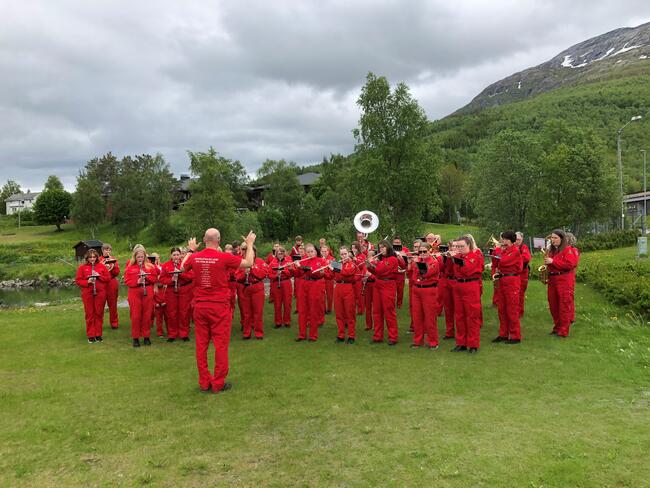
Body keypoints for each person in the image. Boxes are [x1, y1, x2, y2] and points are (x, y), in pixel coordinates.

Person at [181, 229, 256, 393]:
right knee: (220, 345)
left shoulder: (195, 257)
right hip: (218, 307)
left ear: (204, 239)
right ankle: (218, 382)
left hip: (200, 306)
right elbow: (249, 262)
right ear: (219, 240)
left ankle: (204, 382)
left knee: (201, 346)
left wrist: (191, 250)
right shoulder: (223, 257)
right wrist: (249, 244)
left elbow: (182, 268)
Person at [450, 236, 483, 353]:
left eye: (462, 246)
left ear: (469, 245)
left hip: (470, 286)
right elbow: (455, 271)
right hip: (459, 285)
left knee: (472, 315)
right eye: (457, 246)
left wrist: (459, 262)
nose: (459, 248)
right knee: (459, 315)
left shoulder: (474, 256)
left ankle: (473, 344)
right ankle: (461, 343)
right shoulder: (458, 257)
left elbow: (467, 270)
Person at [545, 229, 579, 337]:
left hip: (564, 280)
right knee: (553, 304)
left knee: (564, 305)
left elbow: (571, 264)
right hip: (553, 279)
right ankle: (557, 326)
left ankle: (563, 330)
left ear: (561, 239)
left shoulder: (568, 249)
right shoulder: (552, 250)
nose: (553, 240)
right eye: (552, 237)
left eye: (555, 238)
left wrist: (553, 261)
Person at [124, 245, 159, 347]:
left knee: (147, 315)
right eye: (138, 257)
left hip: (147, 290)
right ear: (135, 257)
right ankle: (135, 338)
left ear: (145, 257)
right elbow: (127, 281)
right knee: (135, 316)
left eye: (142, 257)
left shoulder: (150, 266)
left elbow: (155, 278)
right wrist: (137, 281)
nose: (140, 259)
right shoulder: (130, 268)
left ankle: (146, 336)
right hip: (134, 291)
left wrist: (147, 277)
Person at [491, 231, 523, 344]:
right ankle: (503, 333)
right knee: (502, 309)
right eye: (502, 239)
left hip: (512, 281)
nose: (502, 241)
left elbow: (503, 261)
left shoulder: (515, 251)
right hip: (503, 279)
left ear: (510, 240)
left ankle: (515, 335)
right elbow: (496, 263)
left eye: (505, 239)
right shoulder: (504, 251)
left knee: (512, 309)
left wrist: (497, 252)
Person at [408, 242, 440, 349]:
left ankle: (433, 342)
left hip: (429, 290)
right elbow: (413, 277)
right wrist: (415, 264)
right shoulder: (418, 261)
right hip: (417, 289)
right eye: (420, 252)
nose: (422, 254)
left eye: (424, 251)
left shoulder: (434, 262)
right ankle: (418, 341)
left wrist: (417, 265)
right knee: (417, 316)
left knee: (430, 317)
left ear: (429, 250)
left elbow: (426, 274)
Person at [293, 243, 328, 342]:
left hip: (314, 285)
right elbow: (298, 274)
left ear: (316, 252)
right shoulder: (303, 260)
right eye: (308, 252)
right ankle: (302, 334)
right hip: (303, 285)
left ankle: (313, 335)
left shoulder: (321, 261)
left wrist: (302, 268)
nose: (310, 253)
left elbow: (318, 274)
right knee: (302, 310)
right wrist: (293, 268)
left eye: (312, 251)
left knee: (313, 310)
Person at [367, 240, 399, 345]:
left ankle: (393, 337)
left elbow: (381, 270)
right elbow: (376, 272)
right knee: (377, 312)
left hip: (388, 285)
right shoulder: (381, 259)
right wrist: (369, 266)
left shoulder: (393, 259)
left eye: (383, 247)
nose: (381, 249)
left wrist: (373, 262)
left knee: (389, 311)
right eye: (380, 248)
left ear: (388, 248)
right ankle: (377, 336)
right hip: (378, 284)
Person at [75, 249, 110, 343]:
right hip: (88, 293)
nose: (92, 259)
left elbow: (108, 278)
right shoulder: (82, 268)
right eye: (90, 257)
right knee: (90, 314)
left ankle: (98, 334)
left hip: (100, 293)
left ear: (97, 257)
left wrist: (99, 276)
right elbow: (78, 281)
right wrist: (88, 281)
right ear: (87, 257)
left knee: (99, 313)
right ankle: (91, 335)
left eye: (94, 257)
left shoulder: (101, 266)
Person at [159, 248, 194, 342]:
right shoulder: (166, 265)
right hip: (171, 290)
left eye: (178, 254)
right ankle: (172, 334)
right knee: (172, 313)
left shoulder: (185, 265)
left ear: (181, 255)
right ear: (171, 255)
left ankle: (184, 333)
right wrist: (171, 280)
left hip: (184, 289)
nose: (176, 257)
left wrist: (181, 274)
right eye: (174, 255)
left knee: (184, 312)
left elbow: (191, 276)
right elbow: (162, 279)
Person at [234, 244, 268, 340]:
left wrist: (252, 269)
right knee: (246, 313)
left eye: (250, 251)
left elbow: (263, 275)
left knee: (258, 312)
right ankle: (246, 333)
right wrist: (244, 273)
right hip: (245, 288)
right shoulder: (241, 262)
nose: (248, 253)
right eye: (246, 251)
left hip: (257, 287)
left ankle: (258, 333)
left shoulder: (260, 261)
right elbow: (237, 277)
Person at [333, 246, 357, 344]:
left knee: (349, 313)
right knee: (339, 313)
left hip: (347, 287)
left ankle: (351, 335)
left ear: (348, 254)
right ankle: (341, 335)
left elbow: (347, 273)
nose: (343, 256)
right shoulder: (337, 264)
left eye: (345, 254)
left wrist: (335, 268)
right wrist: (325, 270)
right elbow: (331, 276)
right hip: (338, 287)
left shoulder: (352, 264)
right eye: (342, 254)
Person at [268, 246, 293, 328]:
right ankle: (278, 322)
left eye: (282, 253)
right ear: (276, 254)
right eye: (279, 254)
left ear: (284, 254)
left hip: (286, 282)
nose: (280, 255)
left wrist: (284, 271)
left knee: (287, 303)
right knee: (277, 304)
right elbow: (269, 275)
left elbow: (291, 273)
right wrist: (276, 275)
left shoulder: (288, 261)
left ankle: (287, 321)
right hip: (276, 283)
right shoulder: (272, 263)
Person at [100, 243, 120, 329]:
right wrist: (104, 267)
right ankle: (99, 323)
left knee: (113, 304)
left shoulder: (113, 260)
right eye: (105, 250)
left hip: (111, 282)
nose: (107, 251)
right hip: (102, 283)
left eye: (109, 250)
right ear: (102, 251)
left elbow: (117, 272)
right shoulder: (99, 260)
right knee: (100, 304)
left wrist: (113, 266)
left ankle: (114, 323)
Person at [440, 240, 457, 340]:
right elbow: (441, 269)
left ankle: (459, 331)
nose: (452, 248)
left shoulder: (460, 256)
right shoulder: (447, 256)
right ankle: (449, 332)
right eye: (451, 246)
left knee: (458, 309)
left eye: (455, 246)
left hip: (456, 282)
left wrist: (453, 257)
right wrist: (443, 258)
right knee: (448, 308)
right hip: (447, 281)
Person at [515, 232, 531, 317]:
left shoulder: (524, 247)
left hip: (522, 274)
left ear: (522, 240)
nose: (517, 241)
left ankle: (519, 312)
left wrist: (514, 258)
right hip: (514, 274)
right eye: (516, 239)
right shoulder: (512, 247)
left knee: (520, 294)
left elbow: (527, 258)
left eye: (519, 239)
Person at [392, 236, 409, 309]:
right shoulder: (390, 249)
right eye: (395, 242)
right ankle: (392, 303)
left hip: (401, 272)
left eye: (398, 242)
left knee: (400, 289)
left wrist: (404, 255)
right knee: (392, 289)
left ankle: (399, 303)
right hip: (393, 272)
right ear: (393, 243)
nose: (397, 244)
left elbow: (408, 259)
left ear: (401, 243)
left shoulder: (405, 249)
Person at [350, 241, 366, 315]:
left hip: (359, 277)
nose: (353, 249)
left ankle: (361, 310)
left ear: (358, 248)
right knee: (352, 295)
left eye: (355, 248)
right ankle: (353, 309)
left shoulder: (362, 255)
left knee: (359, 295)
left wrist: (355, 259)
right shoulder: (352, 255)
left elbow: (362, 266)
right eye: (352, 248)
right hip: (352, 276)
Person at [321, 244, 335, 314]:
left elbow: (333, 273)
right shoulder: (320, 259)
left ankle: (329, 309)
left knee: (329, 295)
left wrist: (325, 274)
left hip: (329, 279)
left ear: (328, 251)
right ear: (321, 252)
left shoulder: (332, 259)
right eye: (323, 251)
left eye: (325, 251)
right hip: (321, 279)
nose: (324, 253)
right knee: (322, 295)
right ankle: (323, 308)